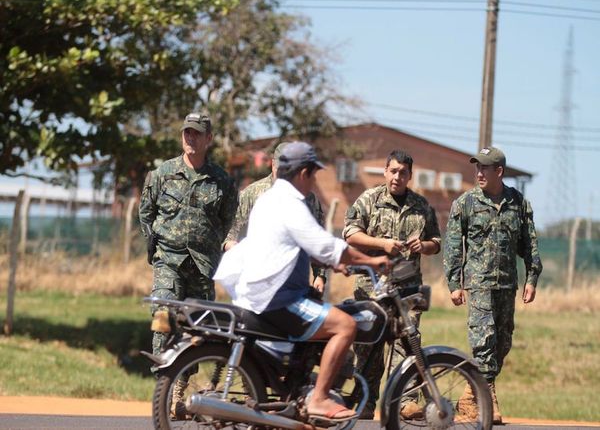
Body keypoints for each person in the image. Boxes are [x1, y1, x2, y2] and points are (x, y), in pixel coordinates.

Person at [214, 141, 391, 423]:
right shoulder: (290, 204)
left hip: (262, 292)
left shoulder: (269, 199)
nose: (314, 181)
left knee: (319, 328)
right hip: (278, 298)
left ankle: (300, 391)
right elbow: (326, 244)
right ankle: (319, 399)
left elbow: (299, 247)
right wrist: (372, 261)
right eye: (313, 173)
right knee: (346, 325)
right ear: (302, 173)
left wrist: (334, 262)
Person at [443, 146, 542, 424]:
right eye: (477, 167)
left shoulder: (518, 203)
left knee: (503, 341)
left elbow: (529, 243)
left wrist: (532, 277)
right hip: (479, 284)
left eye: (484, 168)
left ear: (499, 171)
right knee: (484, 340)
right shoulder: (465, 203)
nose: (479, 173)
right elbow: (452, 246)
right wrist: (454, 282)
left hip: (507, 285)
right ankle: (488, 396)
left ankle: (468, 394)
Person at [342, 149, 441, 420]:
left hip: (408, 289)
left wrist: (425, 245)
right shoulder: (369, 200)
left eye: (403, 172)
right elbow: (350, 233)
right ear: (385, 171)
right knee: (369, 348)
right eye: (393, 171)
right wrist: (382, 244)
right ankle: (364, 402)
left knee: (407, 344)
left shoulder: (421, 206)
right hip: (371, 287)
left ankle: (404, 401)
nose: (398, 176)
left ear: (410, 176)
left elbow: (437, 243)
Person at [139, 112, 238, 356]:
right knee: (162, 316)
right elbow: (146, 212)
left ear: (209, 139)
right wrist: (155, 245)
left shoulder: (221, 181)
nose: (191, 138)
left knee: (196, 330)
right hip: (168, 260)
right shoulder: (163, 173)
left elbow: (230, 221)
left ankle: (180, 384)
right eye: (187, 133)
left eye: (197, 134)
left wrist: (217, 247)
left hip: (203, 265)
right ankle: (162, 380)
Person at [223, 142, 328, 294]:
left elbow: (318, 240)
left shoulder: (308, 198)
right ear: (272, 164)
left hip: (293, 279)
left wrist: (320, 276)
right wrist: (230, 244)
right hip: (259, 277)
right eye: (280, 168)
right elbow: (231, 222)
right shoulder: (255, 192)